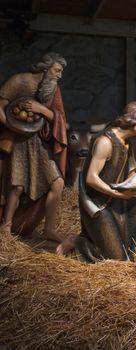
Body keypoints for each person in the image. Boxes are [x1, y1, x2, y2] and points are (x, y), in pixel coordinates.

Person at [57, 101, 136, 261]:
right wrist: (117, 194)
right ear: (134, 120)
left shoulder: (127, 143)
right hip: (99, 205)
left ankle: (132, 254)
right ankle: (77, 242)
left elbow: (130, 173)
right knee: (114, 259)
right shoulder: (105, 142)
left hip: (118, 202)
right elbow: (91, 179)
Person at [0, 52, 68, 242]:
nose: (59, 75)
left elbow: (58, 119)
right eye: (57, 70)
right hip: (18, 141)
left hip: (39, 143)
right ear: (45, 68)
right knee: (17, 186)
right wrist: (12, 126)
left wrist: (41, 110)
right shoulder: (19, 81)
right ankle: (6, 229)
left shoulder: (52, 89)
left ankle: (49, 229)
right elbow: (1, 104)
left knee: (57, 183)